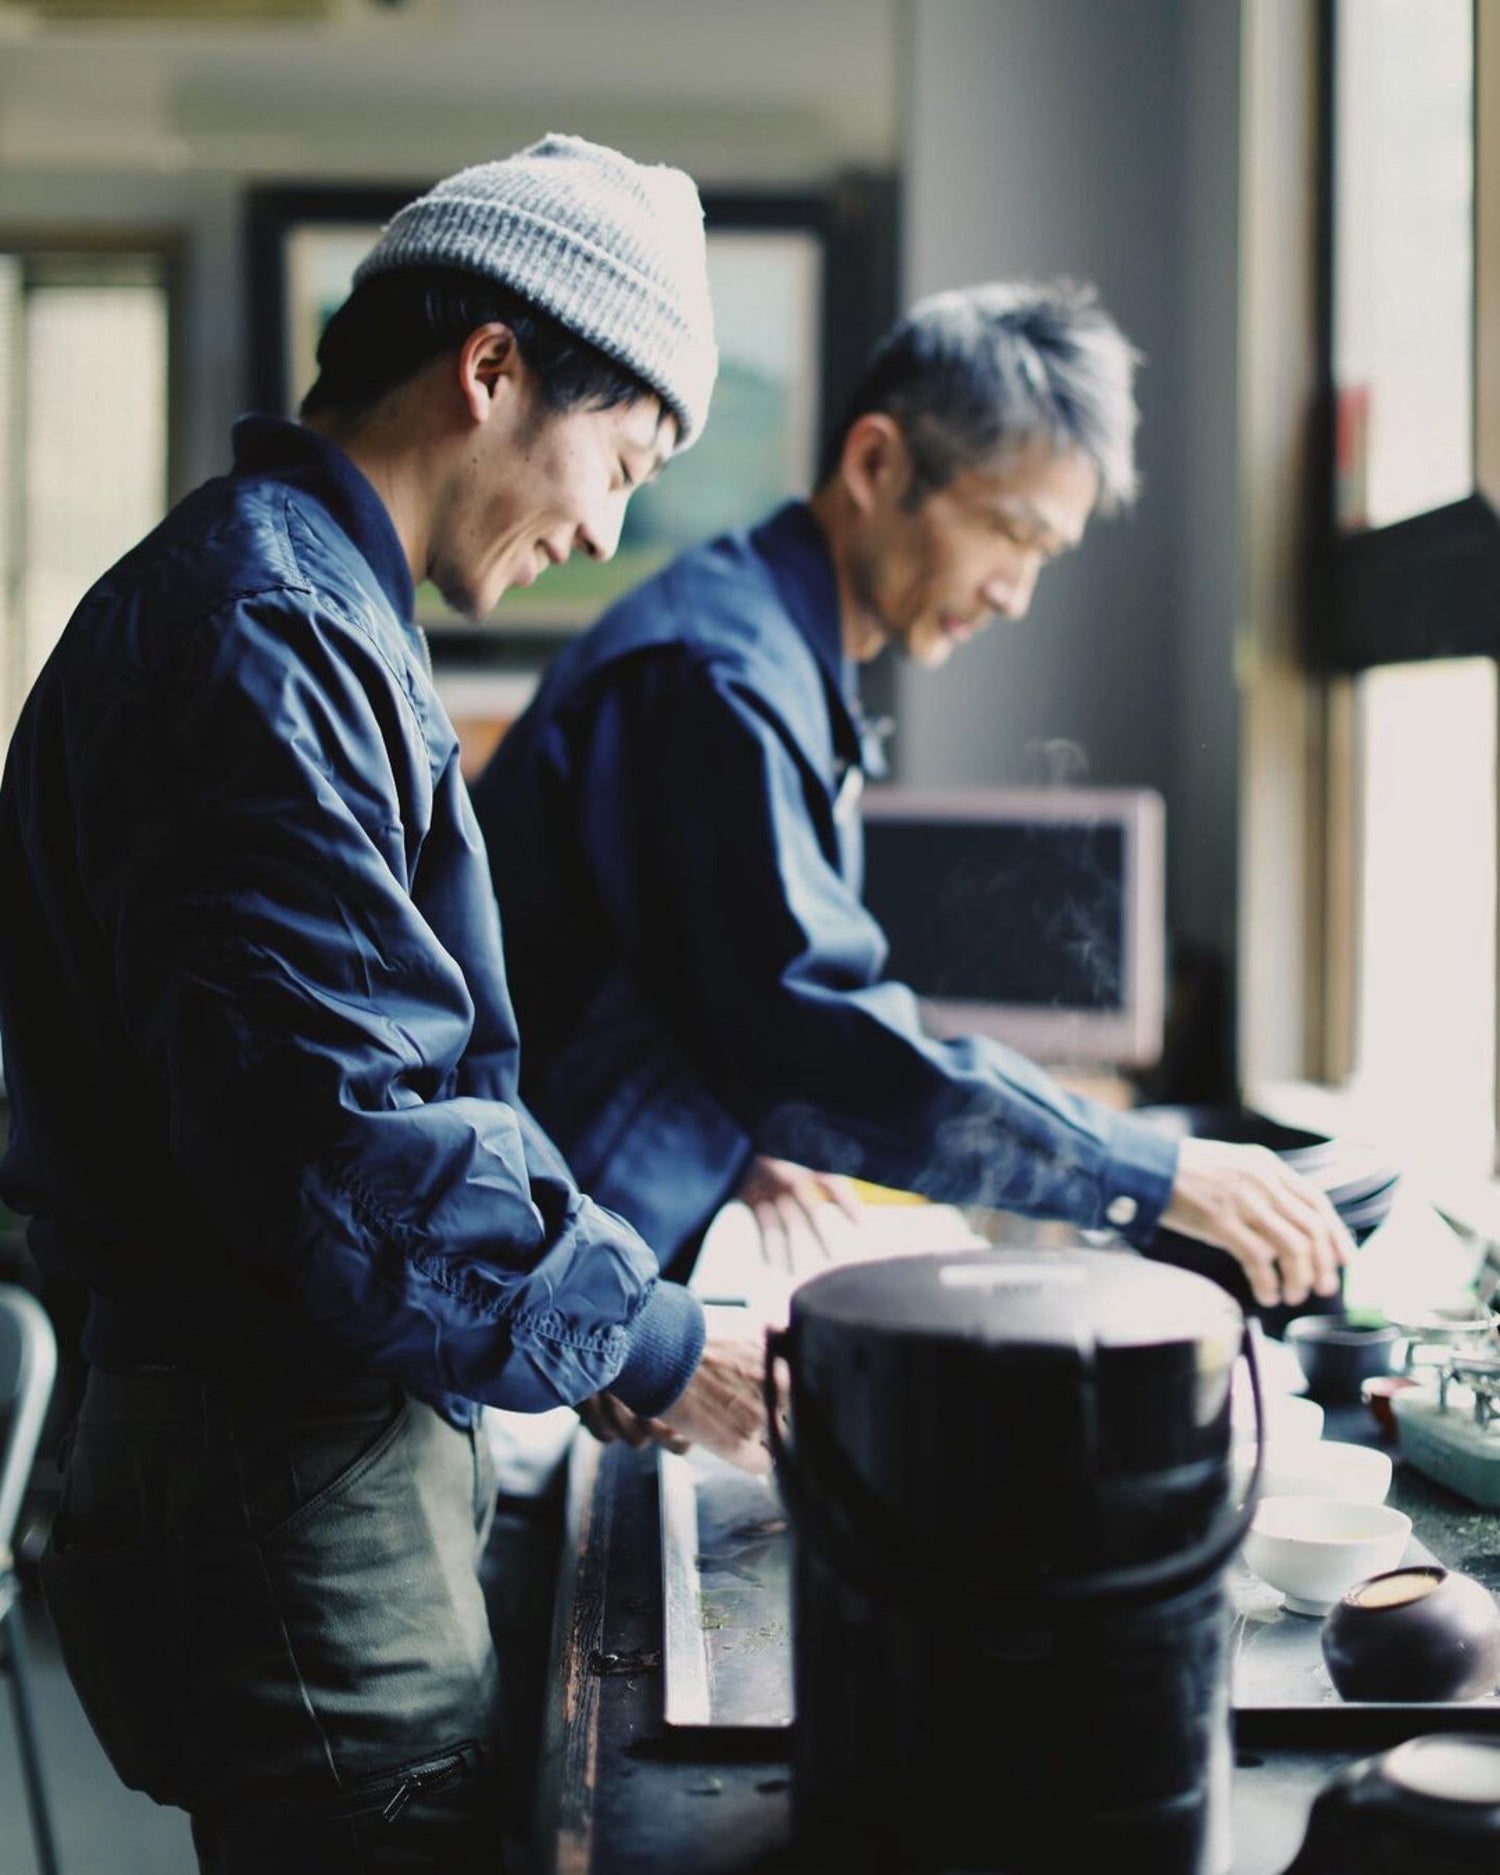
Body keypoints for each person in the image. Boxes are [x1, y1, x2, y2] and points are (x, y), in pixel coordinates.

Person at [0, 134, 768, 1874]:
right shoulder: (266, 631)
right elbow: (352, 1144)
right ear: (491, 367)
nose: (607, 528)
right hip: (286, 1485)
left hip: (297, 1463)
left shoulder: (296, 600)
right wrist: (653, 1341)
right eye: (621, 460)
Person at [470, 280, 1352, 1358]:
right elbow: (809, 1036)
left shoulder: (765, 640)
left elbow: (691, 977)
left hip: (566, 1273)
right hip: (513, 1294)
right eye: (1010, 533)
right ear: (877, 463)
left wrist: (735, 1140)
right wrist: (1149, 1172)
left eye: (1045, 554)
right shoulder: (724, 677)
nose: (1015, 592)